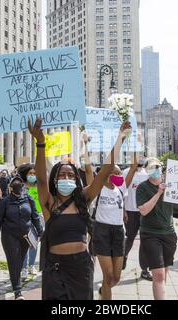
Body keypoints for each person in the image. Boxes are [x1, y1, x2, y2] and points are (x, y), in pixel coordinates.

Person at [29, 117, 130, 300]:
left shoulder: (84, 199)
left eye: (70, 175)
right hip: (55, 269)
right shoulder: (49, 203)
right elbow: (42, 179)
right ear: (55, 180)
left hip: (81, 267)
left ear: (77, 181)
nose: (66, 178)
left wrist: (120, 138)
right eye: (62, 175)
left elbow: (105, 171)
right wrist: (41, 144)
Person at [0, 175, 43, 300]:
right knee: (13, 261)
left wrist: (40, 232)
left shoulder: (29, 199)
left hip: (25, 236)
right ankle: (17, 291)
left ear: (22, 187)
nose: (18, 187)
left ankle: (15, 281)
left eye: (20, 184)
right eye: (15, 185)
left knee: (19, 262)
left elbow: (35, 217)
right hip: (9, 236)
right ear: (11, 188)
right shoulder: (5, 201)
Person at [92, 163, 134, 300]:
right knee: (108, 276)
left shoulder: (121, 188)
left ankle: (102, 292)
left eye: (119, 173)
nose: (118, 176)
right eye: (114, 173)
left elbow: (133, 168)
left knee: (116, 278)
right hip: (102, 231)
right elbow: (87, 169)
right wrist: (85, 146)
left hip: (118, 232)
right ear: (105, 174)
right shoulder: (97, 188)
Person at [136, 158, 177, 300]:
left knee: (164, 273)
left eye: (158, 167)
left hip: (169, 234)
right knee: (158, 274)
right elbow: (143, 211)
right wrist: (158, 193)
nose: (156, 170)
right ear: (147, 171)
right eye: (152, 168)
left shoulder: (170, 186)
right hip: (150, 234)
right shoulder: (142, 188)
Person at [122, 155, 153, 281]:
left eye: (141, 156)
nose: (139, 159)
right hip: (130, 211)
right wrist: (123, 210)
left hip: (143, 212)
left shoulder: (147, 174)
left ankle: (144, 269)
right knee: (129, 238)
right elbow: (120, 192)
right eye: (136, 156)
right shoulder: (125, 173)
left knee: (145, 240)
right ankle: (123, 256)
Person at [18, 163, 44, 277]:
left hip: (39, 217)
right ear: (25, 174)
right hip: (25, 218)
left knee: (34, 243)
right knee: (24, 243)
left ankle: (31, 265)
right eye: (30, 173)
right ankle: (23, 268)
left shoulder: (40, 186)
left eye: (34, 173)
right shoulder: (21, 187)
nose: (32, 175)